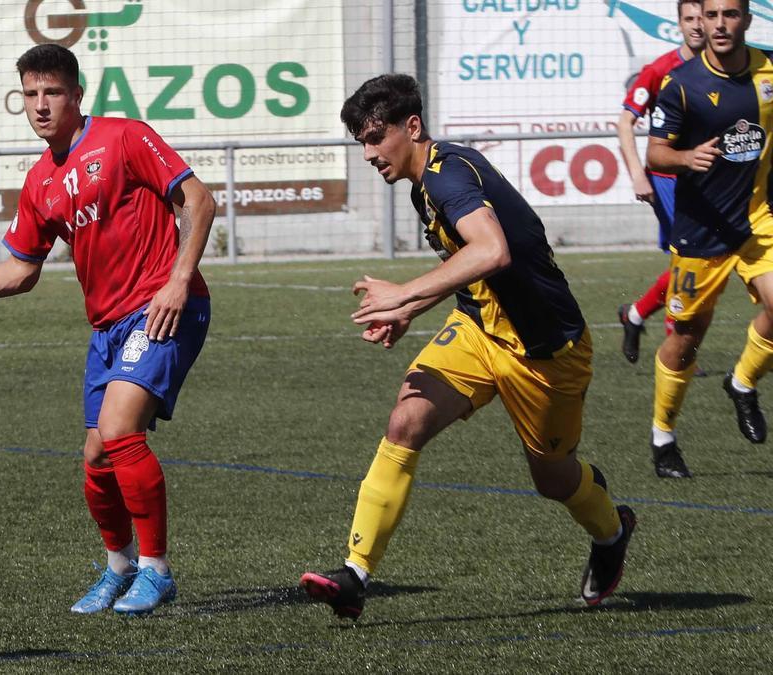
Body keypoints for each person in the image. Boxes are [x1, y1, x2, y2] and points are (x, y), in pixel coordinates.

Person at [298, 74, 636, 619]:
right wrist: (411, 309)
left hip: (544, 351)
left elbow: (491, 250)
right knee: (405, 422)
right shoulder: (423, 183)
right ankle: (354, 576)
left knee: (553, 478)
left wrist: (405, 293)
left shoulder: (447, 175)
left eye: (375, 138)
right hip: (478, 329)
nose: (368, 154)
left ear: (412, 127)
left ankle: (612, 530)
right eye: (361, 142)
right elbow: (470, 266)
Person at [0, 43, 215, 614]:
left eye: (52, 92)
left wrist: (178, 280)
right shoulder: (40, 182)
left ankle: (156, 571)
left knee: (119, 430)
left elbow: (198, 202)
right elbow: (22, 270)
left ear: (77, 95)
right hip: (107, 327)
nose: (40, 105)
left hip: (163, 307)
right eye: (30, 94)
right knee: (97, 456)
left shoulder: (126, 137)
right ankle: (119, 569)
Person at [645, 0, 773, 479]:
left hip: (758, 219)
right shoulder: (682, 85)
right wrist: (686, 158)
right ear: (700, 20)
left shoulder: (768, 70)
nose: (719, 24)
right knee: (686, 340)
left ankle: (742, 382)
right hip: (702, 230)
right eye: (712, 15)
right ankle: (663, 437)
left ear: (747, 19)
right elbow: (655, 154)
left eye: (730, 14)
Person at [617, 0, 706, 364]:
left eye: (702, 17)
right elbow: (625, 123)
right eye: (689, 19)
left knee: (700, 261)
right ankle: (676, 351)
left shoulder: (724, 68)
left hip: (709, 181)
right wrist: (638, 174)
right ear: (679, 24)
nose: (697, 25)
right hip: (668, 179)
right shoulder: (659, 70)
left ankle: (635, 314)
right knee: (687, 259)